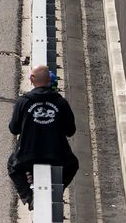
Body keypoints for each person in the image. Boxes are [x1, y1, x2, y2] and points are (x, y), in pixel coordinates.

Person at [8, 64, 79, 209]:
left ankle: (29, 197)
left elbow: (13, 129)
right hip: (57, 155)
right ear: (49, 80)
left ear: (32, 80)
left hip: (27, 156)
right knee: (73, 164)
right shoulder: (61, 102)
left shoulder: (23, 102)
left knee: (12, 166)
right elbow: (70, 131)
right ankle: (58, 191)